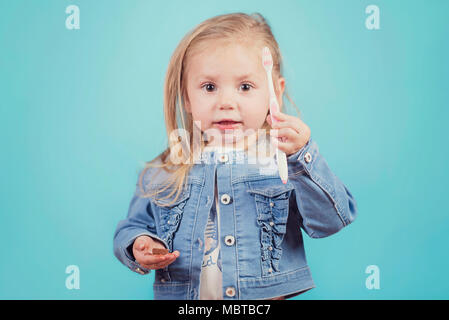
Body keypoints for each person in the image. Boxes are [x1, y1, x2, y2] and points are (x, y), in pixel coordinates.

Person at [113, 12, 357, 300]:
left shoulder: (284, 161)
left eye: (245, 87)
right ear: (187, 97)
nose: (226, 102)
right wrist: (139, 244)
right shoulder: (168, 168)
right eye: (209, 87)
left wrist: (303, 157)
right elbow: (132, 226)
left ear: (273, 93)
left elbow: (330, 221)